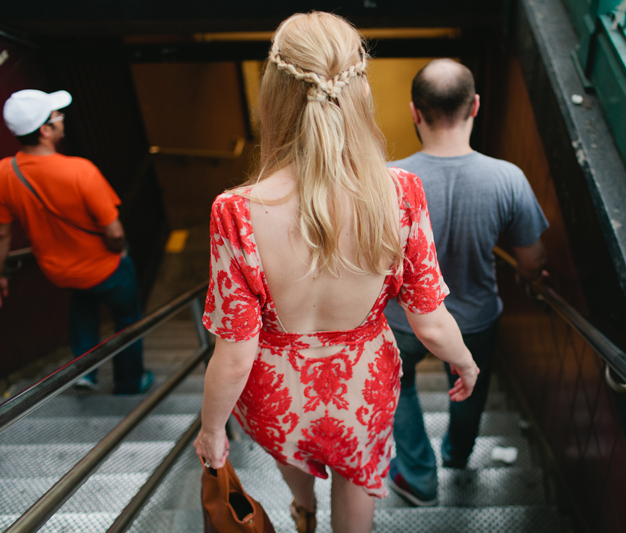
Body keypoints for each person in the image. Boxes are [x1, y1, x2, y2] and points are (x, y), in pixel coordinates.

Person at [191, 12, 479, 533]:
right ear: (359, 91)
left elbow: (234, 357)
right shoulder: (403, 193)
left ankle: (304, 512)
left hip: (276, 391)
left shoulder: (234, 212)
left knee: (291, 455)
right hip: (364, 383)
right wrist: (464, 363)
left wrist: (212, 429)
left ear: (274, 95)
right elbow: (431, 321)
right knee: (359, 475)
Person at [383, 58, 549, 507]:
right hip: (475, 320)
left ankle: (418, 475)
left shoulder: (386, 182)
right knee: (470, 386)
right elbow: (533, 259)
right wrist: (527, 275)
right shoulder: (507, 178)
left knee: (398, 387)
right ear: (475, 106)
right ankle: (456, 456)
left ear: (415, 112)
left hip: (403, 321)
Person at [0, 89, 153, 394]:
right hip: (104, 267)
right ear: (45, 130)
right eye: (57, 116)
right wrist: (119, 251)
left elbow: (2, 232)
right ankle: (129, 382)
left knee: (84, 302)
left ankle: (85, 372)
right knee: (127, 319)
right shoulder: (80, 171)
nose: (62, 119)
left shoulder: (5, 172)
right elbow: (115, 232)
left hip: (59, 271)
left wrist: (1, 273)